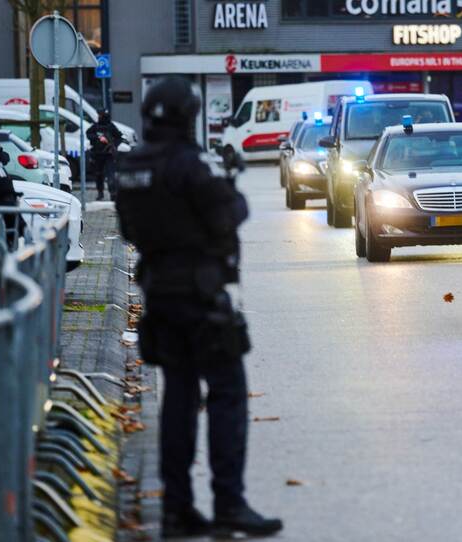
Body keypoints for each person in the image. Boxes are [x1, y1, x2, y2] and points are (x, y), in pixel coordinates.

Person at [115, 77, 283, 540]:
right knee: (227, 393)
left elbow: (129, 230)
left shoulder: (130, 167)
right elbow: (229, 213)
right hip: (201, 296)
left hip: (159, 297)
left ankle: (176, 508)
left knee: (179, 397)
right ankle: (228, 504)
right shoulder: (189, 165)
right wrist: (230, 189)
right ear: (187, 117)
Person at [86, 108, 122, 201]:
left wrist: (113, 145)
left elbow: (119, 137)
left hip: (108, 155)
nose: (99, 117)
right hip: (97, 155)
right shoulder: (96, 126)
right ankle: (100, 193)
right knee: (99, 175)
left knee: (111, 175)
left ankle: (113, 193)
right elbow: (88, 133)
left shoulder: (111, 126)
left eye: (100, 115)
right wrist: (99, 137)